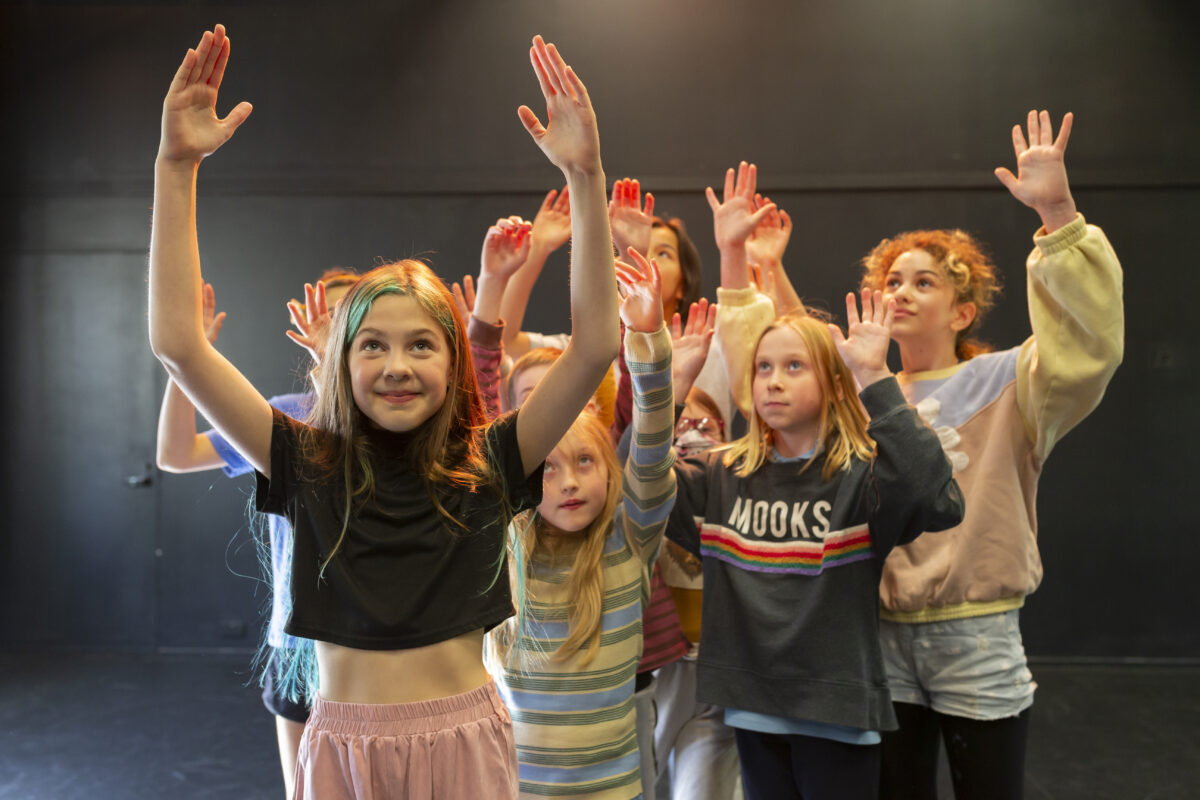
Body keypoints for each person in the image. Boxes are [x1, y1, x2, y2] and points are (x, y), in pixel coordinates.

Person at [149, 26, 620, 798]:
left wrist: (585, 174)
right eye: (372, 345)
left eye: (420, 346)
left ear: (453, 360)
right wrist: (176, 167)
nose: (397, 365)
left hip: (466, 742)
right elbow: (178, 344)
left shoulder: (494, 461)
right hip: (344, 747)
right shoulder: (303, 460)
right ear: (340, 361)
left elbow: (597, 342)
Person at [864, 112, 1124, 800]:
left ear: (961, 311)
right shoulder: (866, 394)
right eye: (892, 280)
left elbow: (1086, 344)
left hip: (974, 635)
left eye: (923, 282)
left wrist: (1058, 214)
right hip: (882, 635)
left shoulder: (1011, 381)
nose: (902, 291)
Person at [156, 270, 355, 798]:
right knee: (304, 790)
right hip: (295, 644)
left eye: (349, 316)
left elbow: (350, 453)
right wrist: (185, 364)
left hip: (371, 645)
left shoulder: (395, 418)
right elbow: (176, 455)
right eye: (326, 317)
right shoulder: (286, 416)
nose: (332, 328)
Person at [486, 248, 676, 799]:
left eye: (584, 461)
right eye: (547, 470)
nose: (568, 482)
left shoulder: (629, 539)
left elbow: (653, 440)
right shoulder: (506, 548)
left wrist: (647, 342)